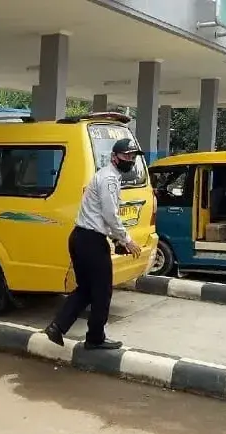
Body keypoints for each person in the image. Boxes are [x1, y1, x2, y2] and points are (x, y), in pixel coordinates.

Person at [44, 138, 142, 350]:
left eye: (133, 157)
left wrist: (116, 240)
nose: (130, 160)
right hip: (91, 241)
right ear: (114, 157)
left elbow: (102, 215)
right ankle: (95, 338)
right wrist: (127, 240)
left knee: (86, 289)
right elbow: (110, 215)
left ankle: (58, 327)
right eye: (126, 156)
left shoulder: (107, 177)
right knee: (102, 291)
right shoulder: (108, 179)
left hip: (81, 238)